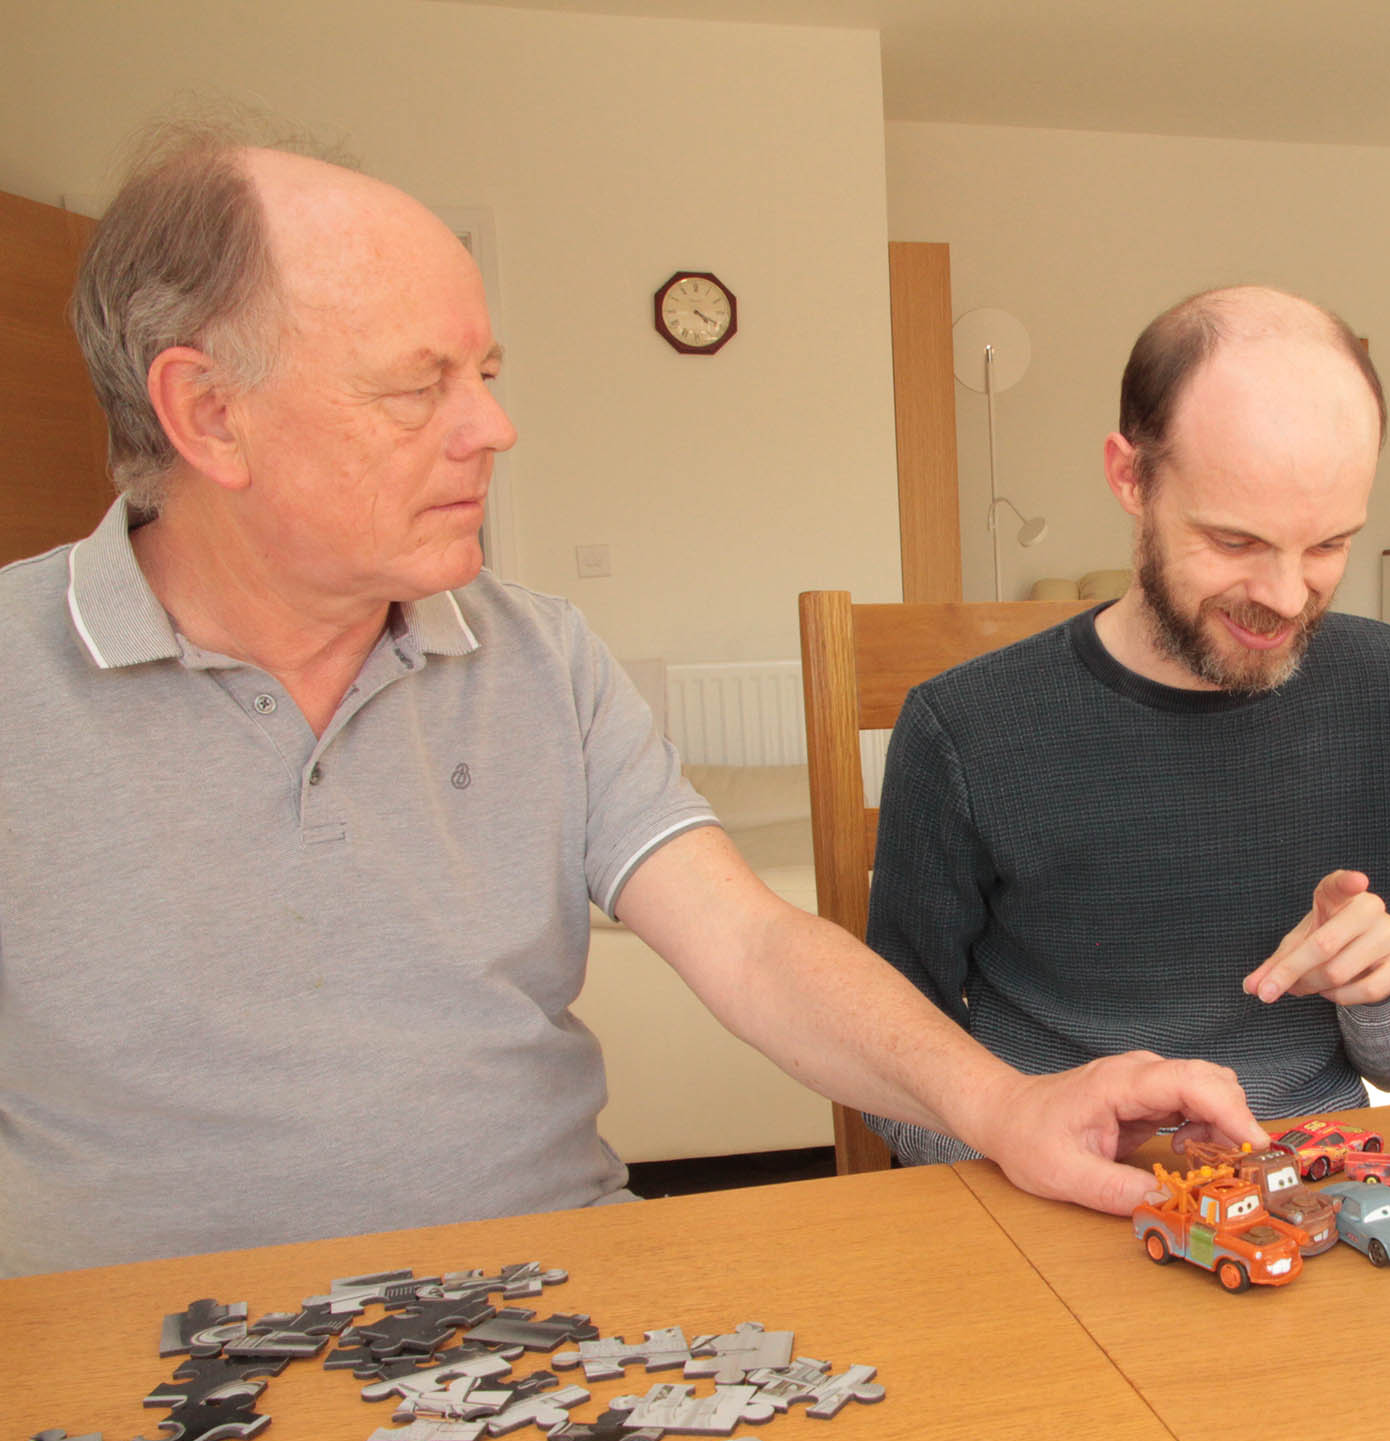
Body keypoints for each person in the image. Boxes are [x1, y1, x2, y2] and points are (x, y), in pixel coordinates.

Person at [0, 129, 1266, 1278]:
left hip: (549, 1300)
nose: (492, 426)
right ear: (208, 416)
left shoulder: (539, 657)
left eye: (485, 370)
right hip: (139, 1370)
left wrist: (1009, 1105)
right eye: (416, 385)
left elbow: (754, 944)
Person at [863, 286, 1390, 1165]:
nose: (1288, 599)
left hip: (1310, 1176)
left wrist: (1377, 992)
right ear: (1130, 477)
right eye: (1235, 541)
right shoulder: (965, 729)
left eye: (1330, 544)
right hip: (1051, 1180)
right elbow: (886, 1059)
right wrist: (1020, 1148)